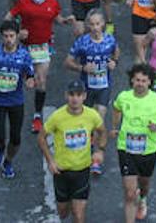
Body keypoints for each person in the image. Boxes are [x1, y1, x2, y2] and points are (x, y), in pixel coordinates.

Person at [7, 0, 73, 135]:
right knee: (21, 80)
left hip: (43, 47)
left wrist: (65, 21)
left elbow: (57, 19)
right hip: (25, 47)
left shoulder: (52, 2)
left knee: (41, 81)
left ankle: (37, 116)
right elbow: (8, 18)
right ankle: (13, 108)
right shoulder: (23, 3)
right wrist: (16, 32)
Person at [111, 63, 156, 223]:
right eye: (137, 80)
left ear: (149, 82)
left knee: (144, 184)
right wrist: (114, 126)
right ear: (132, 80)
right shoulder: (124, 96)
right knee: (130, 193)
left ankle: (143, 199)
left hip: (148, 150)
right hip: (126, 149)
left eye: (143, 80)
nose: (140, 83)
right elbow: (116, 109)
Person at [37, 81, 106, 223]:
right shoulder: (57, 117)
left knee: (78, 214)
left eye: (78, 95)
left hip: (82, 170)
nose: (75, 99)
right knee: (63, 212)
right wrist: (50, 161)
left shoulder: (92, 115)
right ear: (66, 96)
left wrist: (100, 150)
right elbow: (41, 138)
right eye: (72, 94)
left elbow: (102, 131)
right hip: (61, 171)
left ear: (84, 96)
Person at [0, 20, 36, 179]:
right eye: (5, 36)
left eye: (12, 36)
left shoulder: (24, 54)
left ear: (17, 36)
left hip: (15, 100)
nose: (9, 39)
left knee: (16, 137)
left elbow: (29, 72)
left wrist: (29, 80)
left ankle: (8, 161)